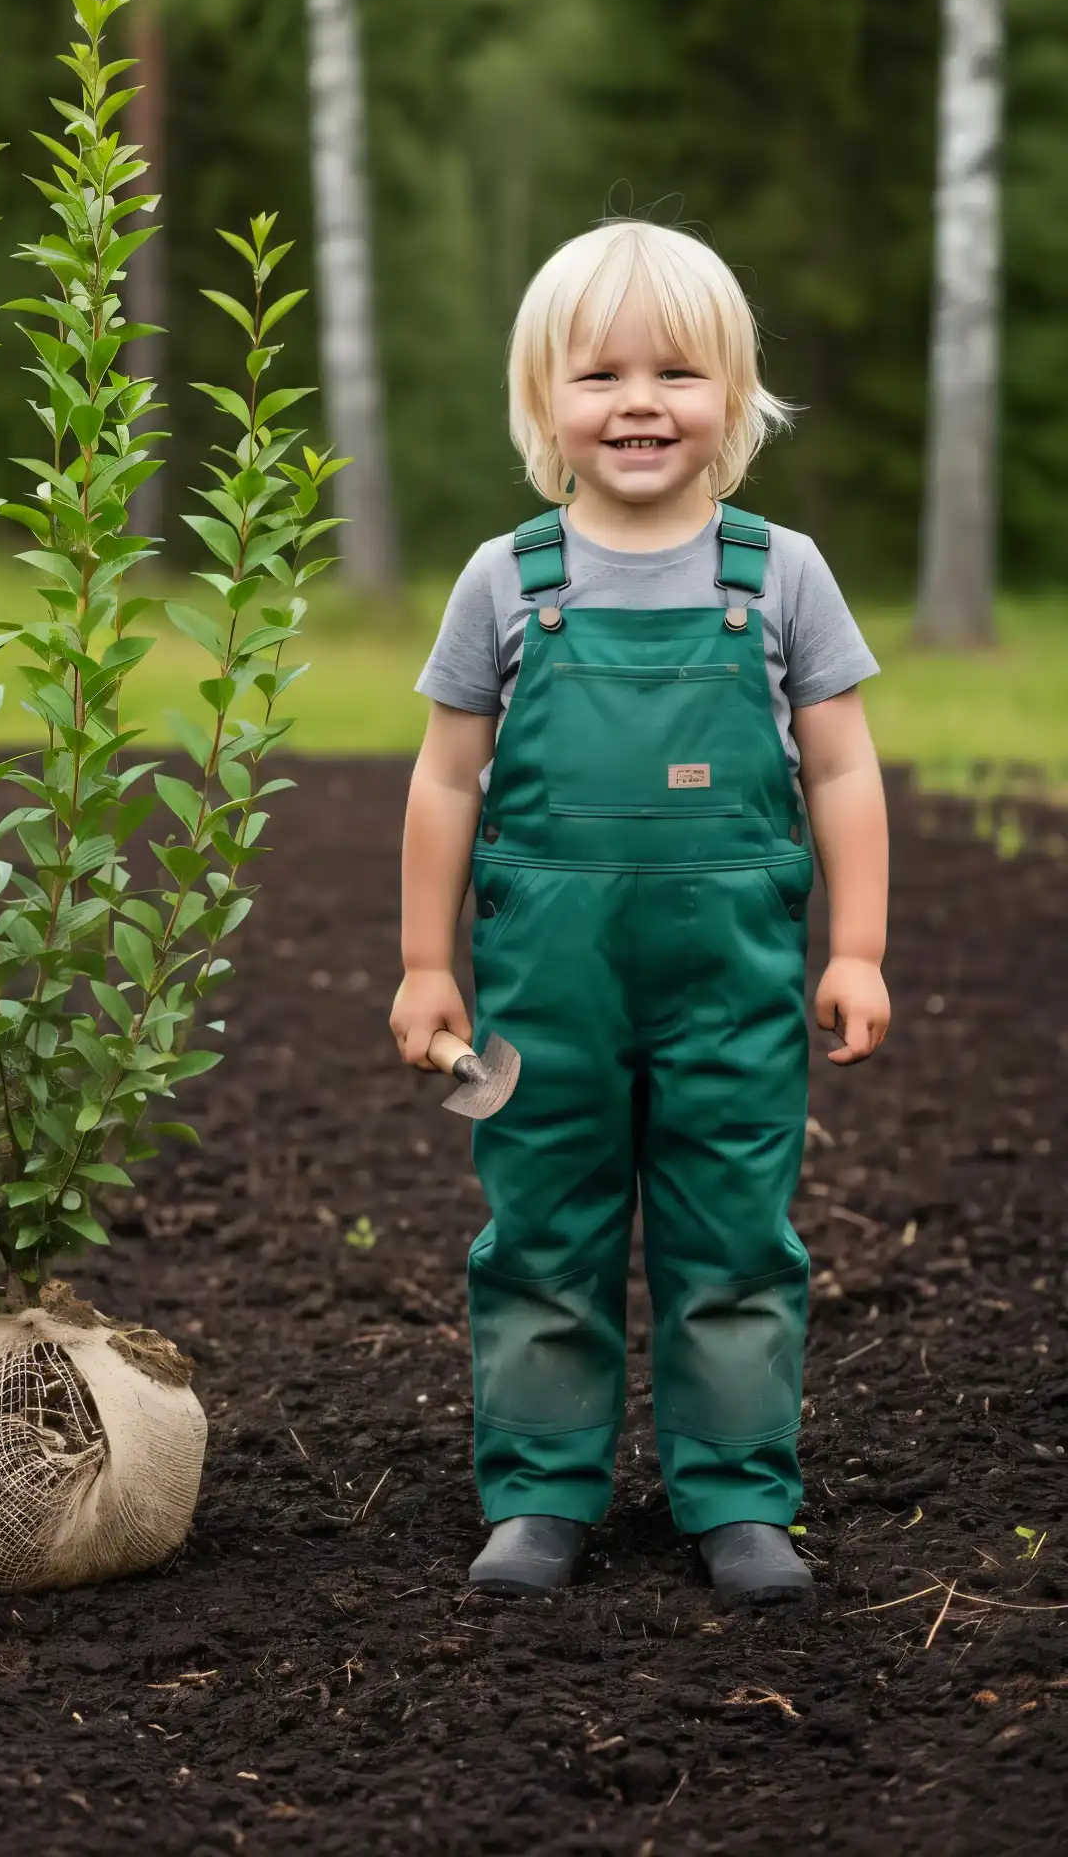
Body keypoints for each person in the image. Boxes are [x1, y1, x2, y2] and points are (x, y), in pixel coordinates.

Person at [390, 218, 890, 1610]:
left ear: (734, 396)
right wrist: (428, 966)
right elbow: (443, 781)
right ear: (543, 401)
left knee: (734, 1234)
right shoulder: (510, 580)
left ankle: (736, 1497)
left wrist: (855, 948)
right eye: (599, 374)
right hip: (545, 997)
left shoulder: (776, 574)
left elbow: (843, 768)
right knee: (541, 1231)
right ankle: (542, 1494)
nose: (639, 403)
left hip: (731, 990)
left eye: (677, 371)